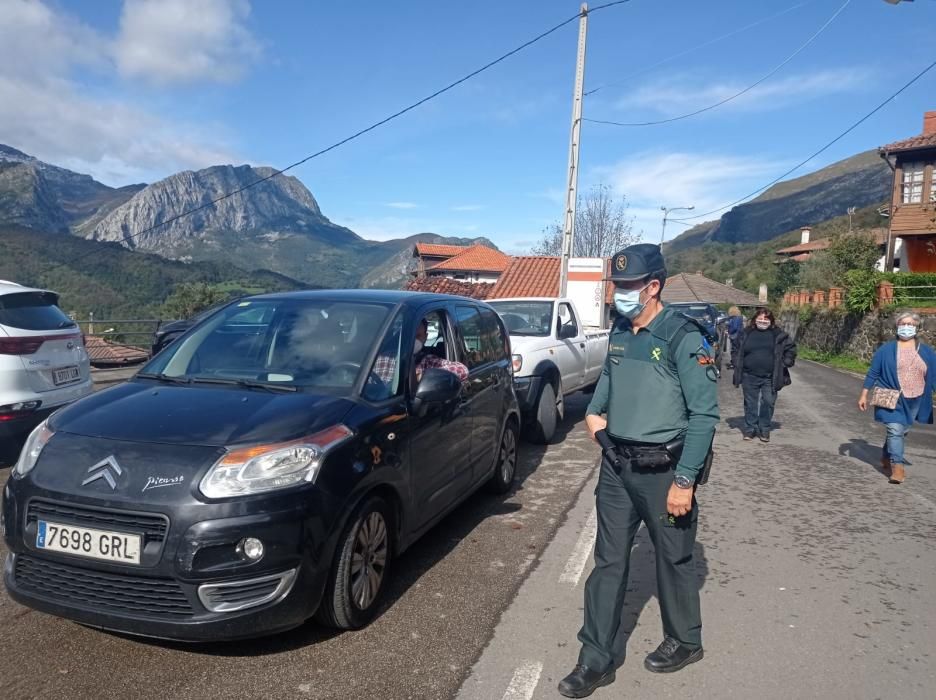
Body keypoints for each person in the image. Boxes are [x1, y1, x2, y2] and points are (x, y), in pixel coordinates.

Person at [558, 243, 719, 699]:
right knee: (609, 561)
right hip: (617, 468)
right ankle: (595, 659)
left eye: (628, 287)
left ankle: (686, 640)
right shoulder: (621, 333)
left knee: (675, 557)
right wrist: (594, 416)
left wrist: (685, 480)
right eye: (617, 287)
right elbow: (604, 390)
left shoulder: (683, 337)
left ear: (653, 287)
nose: (619, 295)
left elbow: (705, 416)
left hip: (666, 471)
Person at [858, 311, 936, 484]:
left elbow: (934, 375)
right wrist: (864, 394)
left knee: (902, 431)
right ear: (897, 327)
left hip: (916, 397)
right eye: (903, 324)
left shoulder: (927, 352)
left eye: (911, 324)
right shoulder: (886, 350)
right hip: (891, 396)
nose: (907, 328)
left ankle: (887, 454)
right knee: (895, 430)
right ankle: (897, 467)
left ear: (917, 328)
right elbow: (873, 372)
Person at [731, 307, 796, 443]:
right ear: (755, 319)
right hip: (749, 375)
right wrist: (736, 362)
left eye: (766, 318)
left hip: (770, 376)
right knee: (750, 403)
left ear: (771, 321)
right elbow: (736, 348)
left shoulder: (778, 335)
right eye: (760, 318)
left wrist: (785, 362)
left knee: (768, 401)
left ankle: (764, 428)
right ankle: (750, 429)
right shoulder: (745, 333)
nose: (762, 320)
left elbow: (790, 349)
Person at [371, 318, 468, 388]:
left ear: (425, 337)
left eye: (418, 336)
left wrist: (422, 376)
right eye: (411, 336)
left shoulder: (428, 361)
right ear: (402, 336)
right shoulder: (383, 358)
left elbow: (462, 370)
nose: (414, 341)